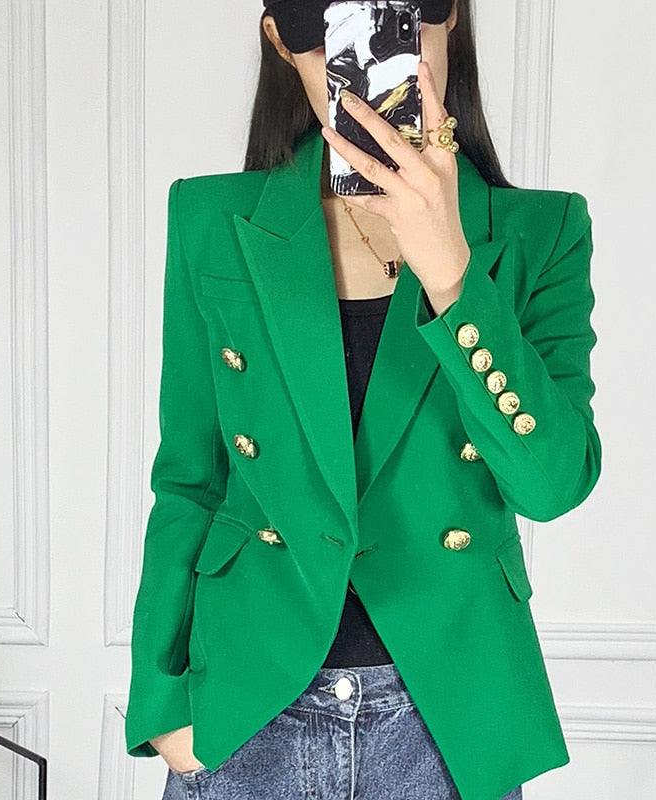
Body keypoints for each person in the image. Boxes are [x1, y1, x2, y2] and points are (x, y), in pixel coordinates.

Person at [124, 0, 602, 798]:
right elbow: (189, 481)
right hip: (243, 704)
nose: (371, 64)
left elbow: (552, 485)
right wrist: (161, 699)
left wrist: (450, 272)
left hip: (447, 716)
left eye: (399, 21)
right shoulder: (212, 218)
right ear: (283, 41)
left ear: (451, 20)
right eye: (334, 30)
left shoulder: (542, 232)